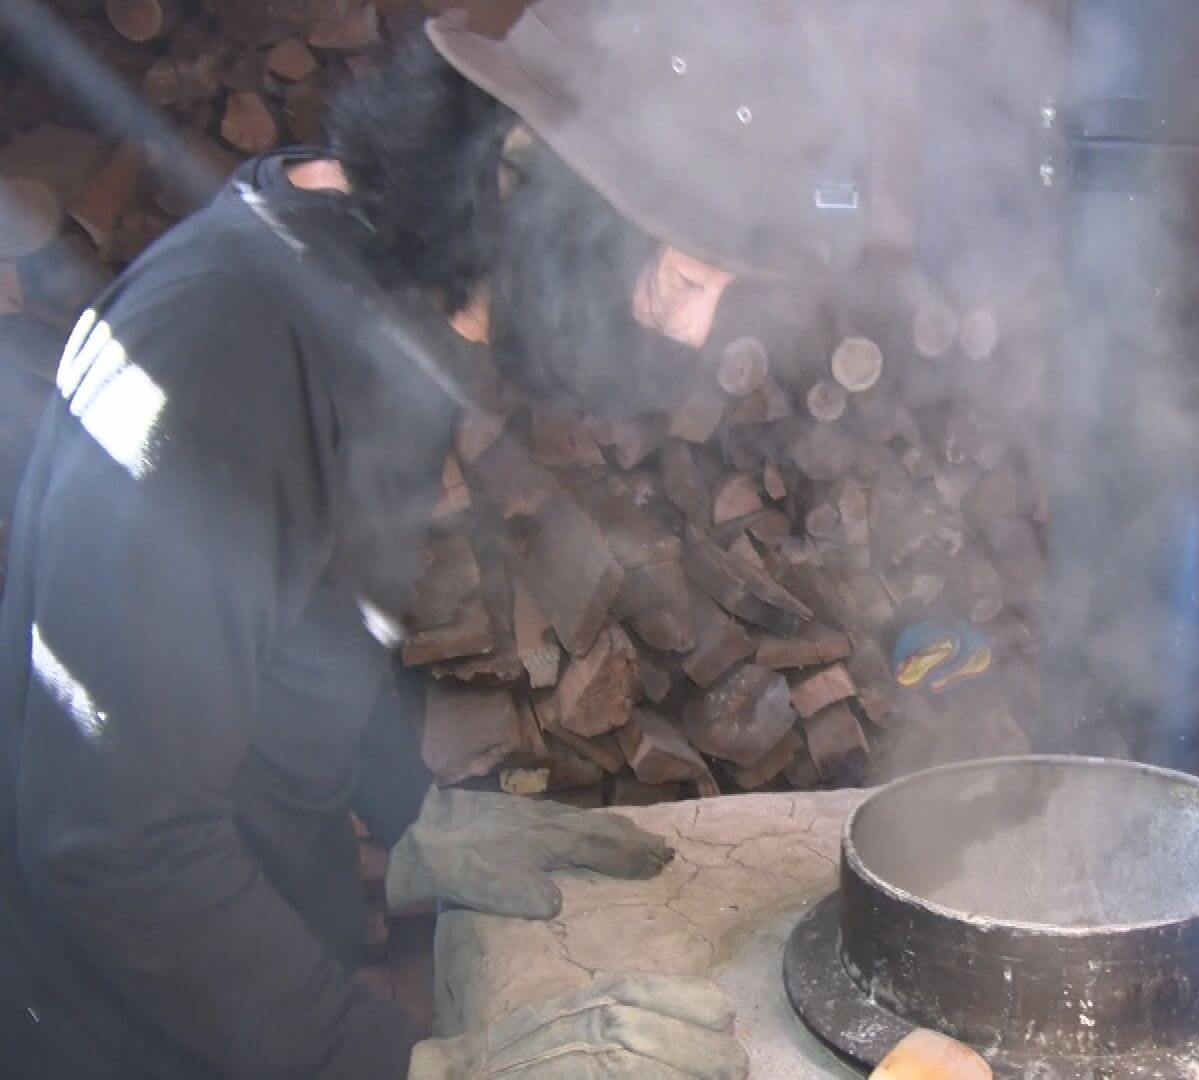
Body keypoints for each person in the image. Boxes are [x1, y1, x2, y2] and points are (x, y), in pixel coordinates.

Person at [0, 1, 850, 1076]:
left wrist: (410, 818)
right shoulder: (220, 356)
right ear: (524, 184)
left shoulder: (388, 297)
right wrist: (415, 1067)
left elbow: (300, 634)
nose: (690, 333)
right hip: (125, 1038)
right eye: (681, 278)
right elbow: (117, 853)